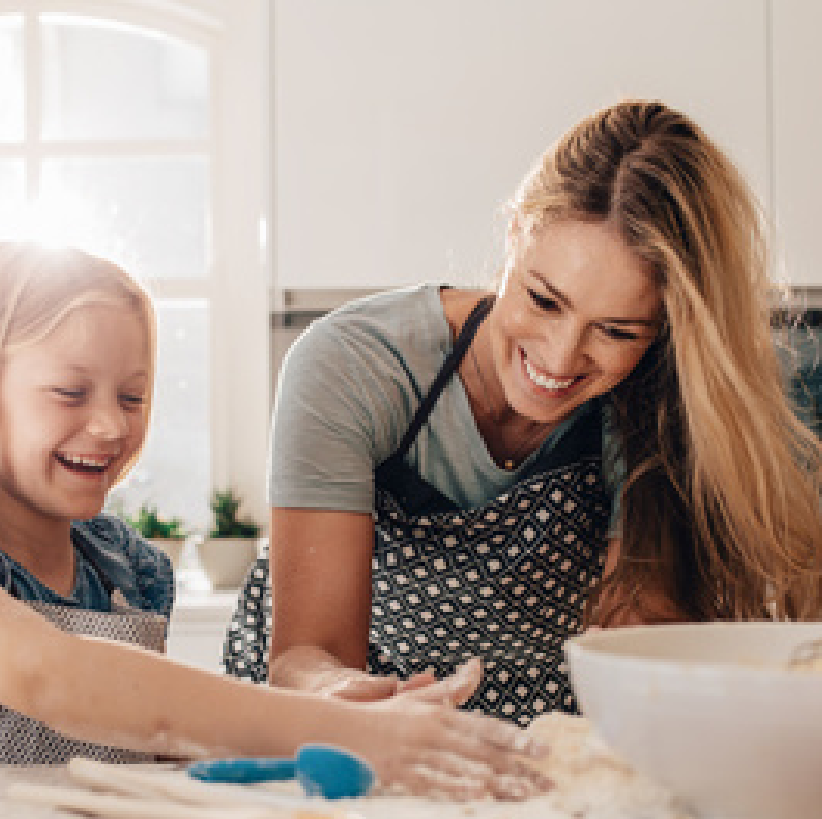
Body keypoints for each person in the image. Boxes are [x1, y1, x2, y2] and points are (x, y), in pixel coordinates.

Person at [0, 241, 547, 799]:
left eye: (134, 396)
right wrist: (347, 731)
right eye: (70, 391)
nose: (111, 424)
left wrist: (336, 716)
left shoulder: (126, 574)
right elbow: (50, 675)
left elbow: (152, 742)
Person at [223, 99, 822, 725]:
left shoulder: (656, 400)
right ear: (514, 233)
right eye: (543, 299)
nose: (561, 360)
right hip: (341, 727)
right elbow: (305, 656)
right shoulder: (355, 366)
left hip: (548, 729)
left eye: (615, 331)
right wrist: (353, 702)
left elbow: (635, 640)